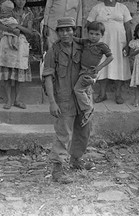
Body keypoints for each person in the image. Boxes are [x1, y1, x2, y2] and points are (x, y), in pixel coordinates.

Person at [43, 17, 91, 184]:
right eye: (62, 30)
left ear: (74, 31)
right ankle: (58, 169)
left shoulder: (83, 47)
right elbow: (48, 77)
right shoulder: (53, 52)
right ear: (57, 33)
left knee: (83, 131)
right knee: (64, 134)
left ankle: (76, 159)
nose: (66, 33)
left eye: (69, 29)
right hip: (63, 98)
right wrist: (52, 102)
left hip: (82, 97)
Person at [87, 0, 133, 104]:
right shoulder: (97, 8)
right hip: (102, 43)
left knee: (119, 66)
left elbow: (128, 28)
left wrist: (128, 45)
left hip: (119, 43)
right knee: (102, 65)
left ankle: (118, 94)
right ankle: (102, 94)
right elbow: (89, 25)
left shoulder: (122, 8)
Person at [0, 0, 35, 110]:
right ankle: (9, 100)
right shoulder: (8, 12)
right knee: (7, 72)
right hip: (7, 42)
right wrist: (12, 30)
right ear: (14, 0)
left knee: (20, 72)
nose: (21, 1)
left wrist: (17, 26)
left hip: (21, 43)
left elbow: (30, 32)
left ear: (26, 1)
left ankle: (17, 99)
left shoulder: (29, 14)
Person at [73, 21, 113, 127]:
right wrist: (69, 36)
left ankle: (88, 108)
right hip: (83, 71)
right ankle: (87, 115)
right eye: (91, 33)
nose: (93, 36)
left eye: (97, 34)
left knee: (77, 89)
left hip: (90, 72)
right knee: (86, 91)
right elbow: (77, 40)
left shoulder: (102, 46)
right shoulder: (86, 42)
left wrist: (100, 67)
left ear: (102, 35)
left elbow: (110, 57)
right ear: (87, 33)